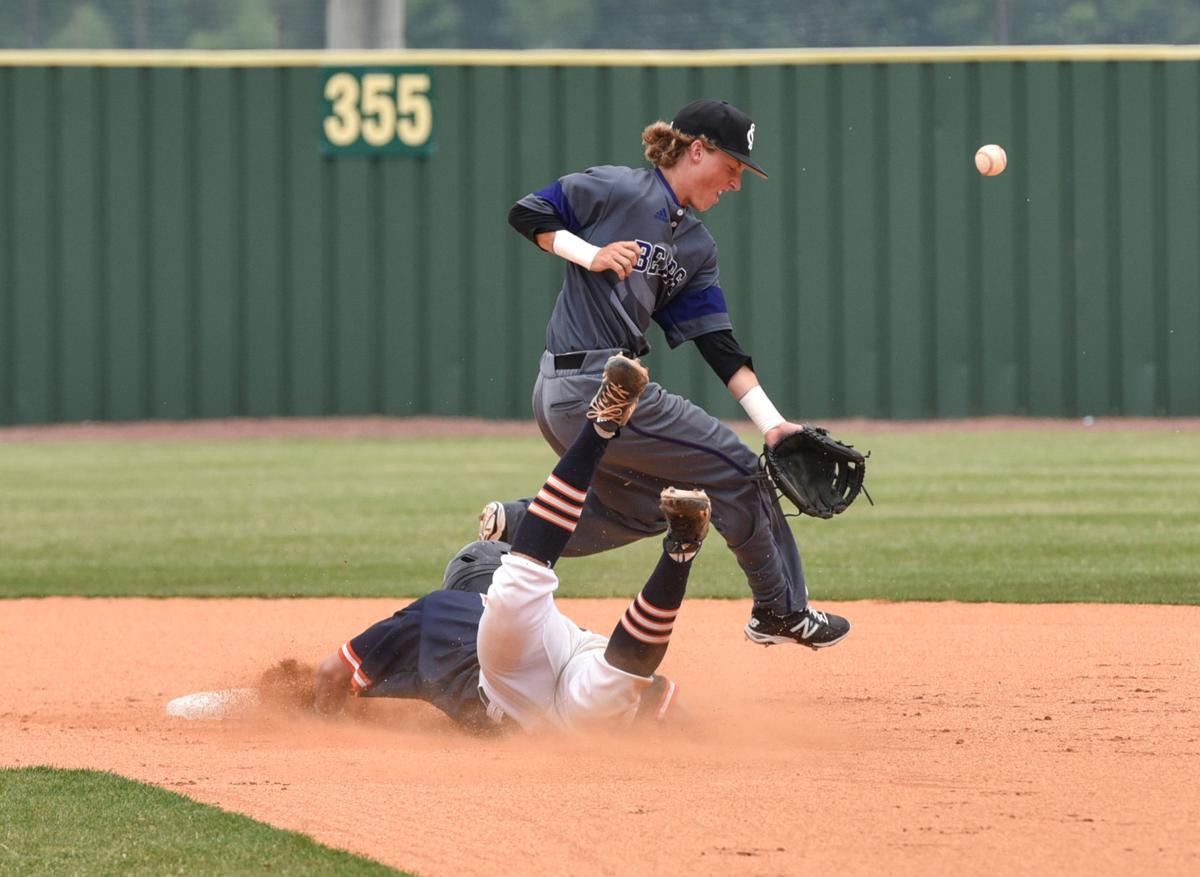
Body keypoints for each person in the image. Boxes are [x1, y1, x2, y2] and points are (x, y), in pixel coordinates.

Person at [479, 98, 850, 649]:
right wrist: (590, 253)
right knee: (738, 472)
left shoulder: (695, 246)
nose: (736, 183)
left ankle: (513, 525)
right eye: (732, 168)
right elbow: (528, 213)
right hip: (591, 384)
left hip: (573, 395)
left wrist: (772, 424)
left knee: (659, 509)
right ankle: (781, 610)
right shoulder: (619, 189)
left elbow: (717, 344)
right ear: (696, 150)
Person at [314, 355, 711, 732]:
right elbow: (664, 702)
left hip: (522, 691)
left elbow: (331, 673)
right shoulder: (522, 622)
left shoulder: (439, 609)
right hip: (575, 654)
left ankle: (610, 441)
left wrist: (322, 726)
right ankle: (678, 549)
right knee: (611, 682)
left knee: (534, 600)